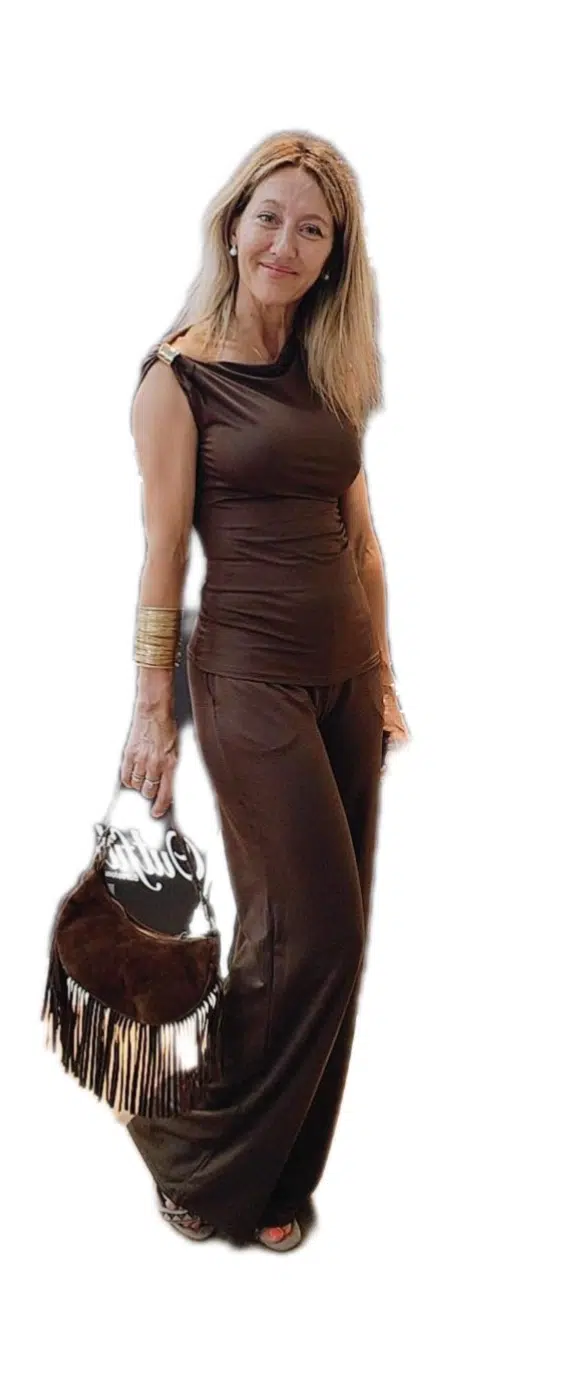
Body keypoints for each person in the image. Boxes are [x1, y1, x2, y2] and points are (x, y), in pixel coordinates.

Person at [121, 128, 410, 1252]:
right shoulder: (177, 376)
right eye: (269, 217)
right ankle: (188, 1151)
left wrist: (382, 677)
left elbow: (360, 537)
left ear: (335, 254)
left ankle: (277, 1178)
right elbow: (161, 556)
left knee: (335, 935)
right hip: (247, 678)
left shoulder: (331, 365)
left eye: (313, 229)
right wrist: (152, 710)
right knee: (308, 933)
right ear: (232, 225)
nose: (285, 243)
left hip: (346, 677)